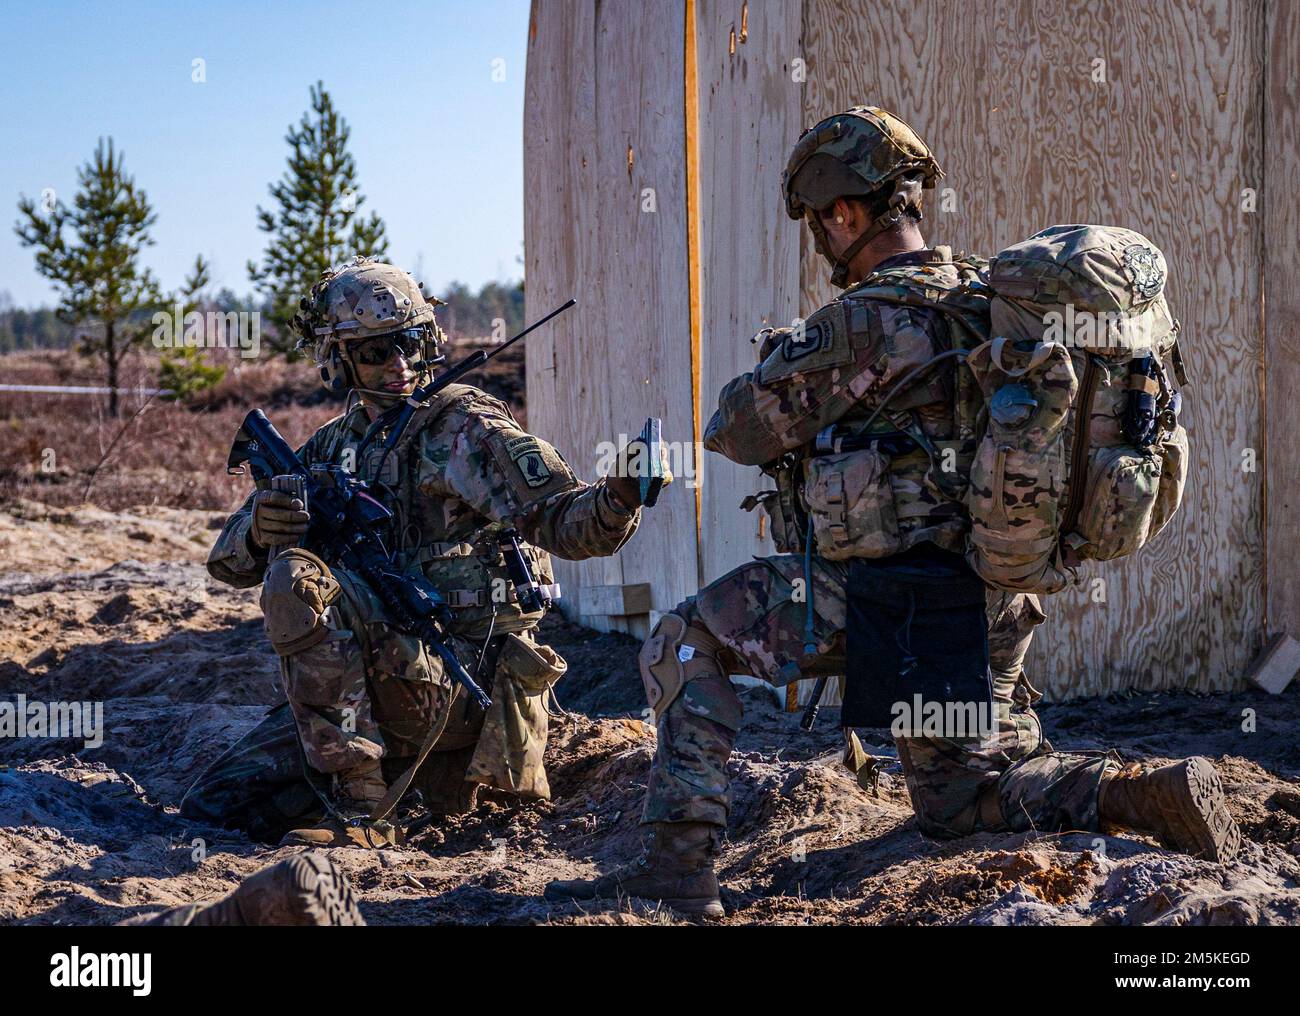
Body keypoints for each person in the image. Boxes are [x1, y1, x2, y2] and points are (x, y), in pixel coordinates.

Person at [545, 107, 1240, 919]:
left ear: (844, 212)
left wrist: (785, 360)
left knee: (684, 638)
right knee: (965, 799)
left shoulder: (859, 322)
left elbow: (733, 429)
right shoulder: (996, 303)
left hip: (868, 605)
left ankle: (677, 866)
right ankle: (1134, 794)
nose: (820, 242)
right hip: (991, 600)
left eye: (816, 223)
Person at [182, 256, 666, 847]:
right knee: (217, 803)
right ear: (339, 359)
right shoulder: (333, 447)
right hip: (377, 690)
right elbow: (227, 563)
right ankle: (383, 780)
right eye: (375, 352)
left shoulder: (461, 428)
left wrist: (619, 494)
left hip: (462, 684)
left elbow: (570, 525)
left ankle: (361, 811)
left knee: (296, 578)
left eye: (410, 343)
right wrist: (261, 527)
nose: (399, 365)